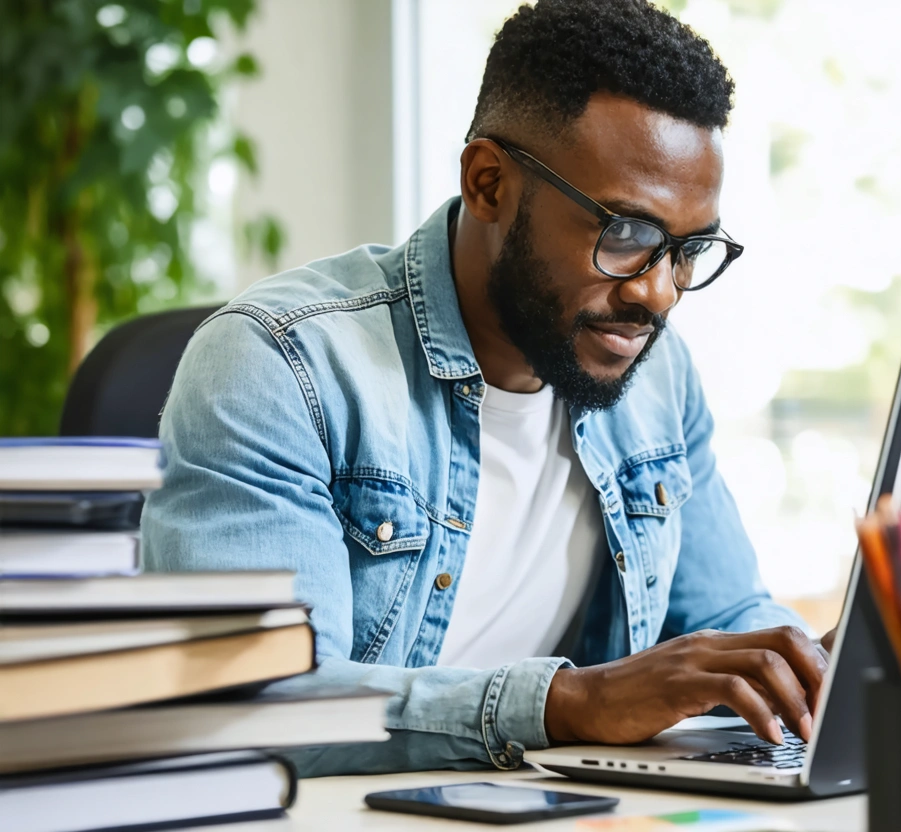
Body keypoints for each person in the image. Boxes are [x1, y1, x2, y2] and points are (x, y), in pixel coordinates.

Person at [143, 0, 833, 777]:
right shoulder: (279, 366)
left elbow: (722, 618)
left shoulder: (654, 375)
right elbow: (258, 702)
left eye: (687, 250)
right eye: (629, 235)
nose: (660, 294)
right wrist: (571, 703)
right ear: (488, 183)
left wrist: (806, 667)